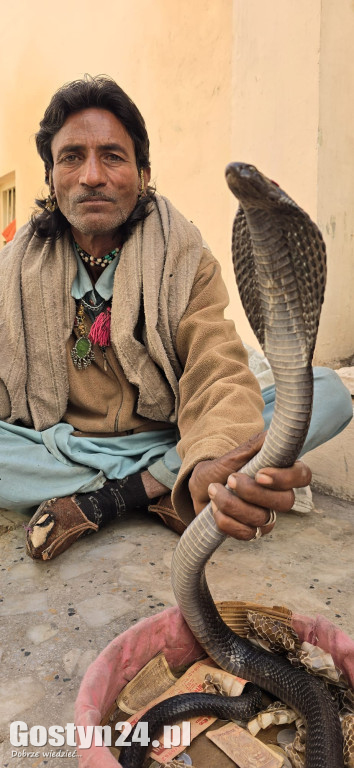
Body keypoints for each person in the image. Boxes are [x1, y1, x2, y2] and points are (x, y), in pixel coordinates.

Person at [0, 75, 351, 561]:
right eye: (72, 157)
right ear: (51, 177)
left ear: (143, 174)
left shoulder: (182, 256)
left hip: (174, 433)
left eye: (113, 156)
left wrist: (209, 456)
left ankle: (113, 497)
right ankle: (157, 488)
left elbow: (216, 364)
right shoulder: (14, 268)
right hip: (64, 445)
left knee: (327, 393)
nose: (92, 176)